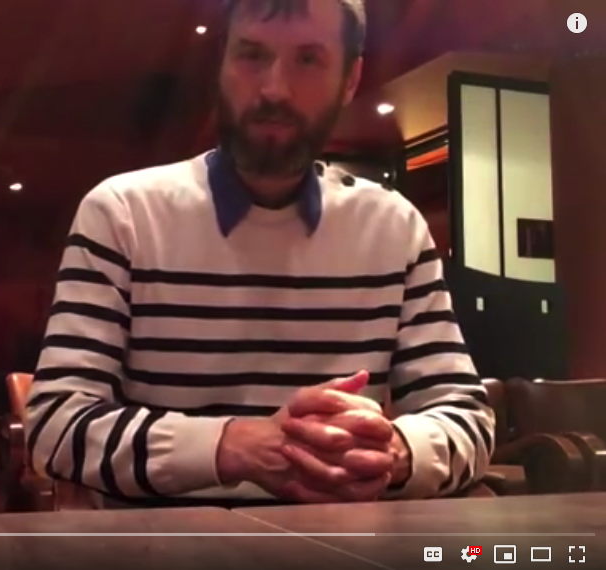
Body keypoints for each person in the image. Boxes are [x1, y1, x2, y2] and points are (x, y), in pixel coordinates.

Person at [26, 0, 493, 506]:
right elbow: (56, 426)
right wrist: (235, 446)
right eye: (252, 55)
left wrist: (392, 451)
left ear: (350, 79)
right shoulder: (123, 215)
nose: (274, 89)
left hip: (344, 540)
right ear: (221, 63)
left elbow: (467, 418)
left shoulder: (394, 229)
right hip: (160, 540)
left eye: (308, 60)